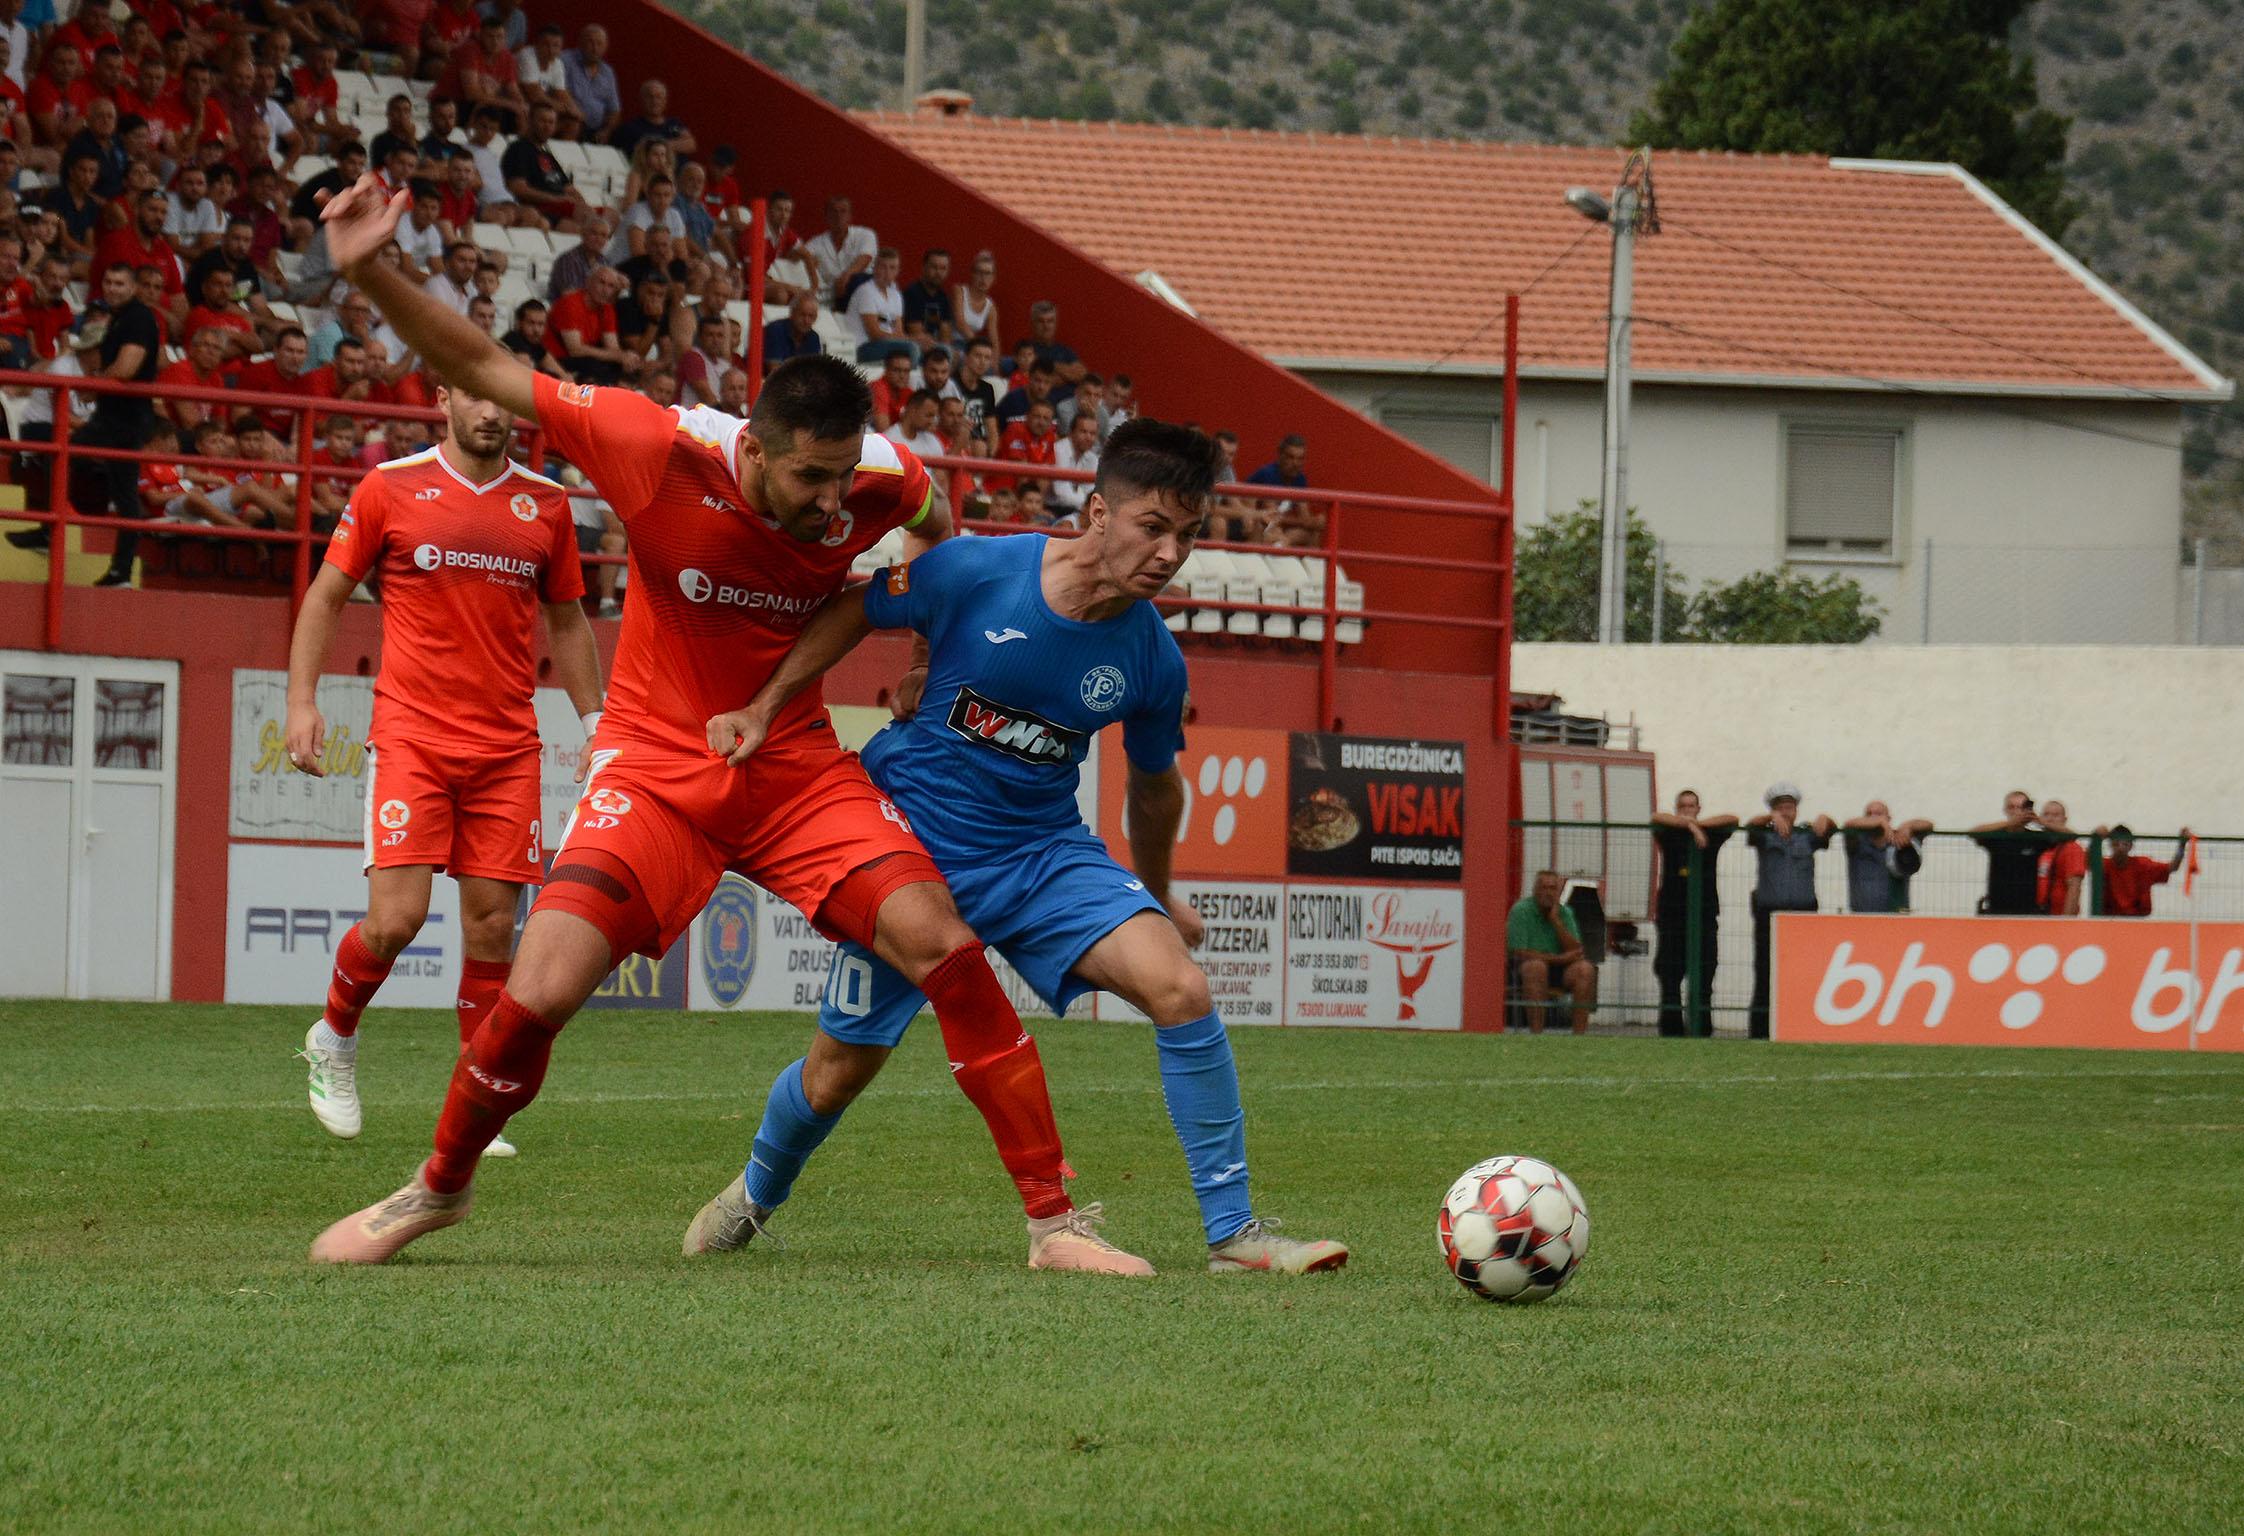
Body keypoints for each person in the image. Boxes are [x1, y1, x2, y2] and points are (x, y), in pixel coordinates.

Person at [305, 174, 1137, 1276]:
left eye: (847, 474)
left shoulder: (885, 481)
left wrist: (928, 652)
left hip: (792, 767)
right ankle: (438, 1189)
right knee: (539, 989)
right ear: (754, 448)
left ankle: (1054, 1224)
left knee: (944, 945)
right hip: (654, 767)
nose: (837, 503)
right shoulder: (650, 447)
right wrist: (370, 268)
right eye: (810, 478)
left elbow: (945, 537)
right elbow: (482, 368)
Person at [685, 418, 1347, 1276]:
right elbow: (858, 604)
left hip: (1041, 853)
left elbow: (1153, 788)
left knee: (1181, 990)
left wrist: (1158, 891)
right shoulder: (980, 569)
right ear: (1099, 514)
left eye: (1189, 534)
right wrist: (772, 703)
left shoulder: (1152, 660)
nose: (1171, 553)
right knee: (834, 1075)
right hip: (910, 853)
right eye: (1154, 526)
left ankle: (1234, 1236)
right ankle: (753, 1195)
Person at [287, 379, 603, 1151]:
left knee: (494, 927)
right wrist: (302, 702)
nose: (493, 412)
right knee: (397, 920)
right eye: (476, 398)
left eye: (504, 402)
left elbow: (567, 618)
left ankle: (472, 1092)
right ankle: (333, 1036)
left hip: (506, 745)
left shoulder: (548, 504)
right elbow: (327, 596)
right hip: (412, 737)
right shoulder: (390, 487)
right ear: (444, 400)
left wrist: (597, 723)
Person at [9, 263, 161, 582]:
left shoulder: (137, 318)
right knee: (119, 491)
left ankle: (57, 533)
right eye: (108, 281)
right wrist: (100, 385)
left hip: (123, 420)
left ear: (133, 287)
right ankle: (116, 567)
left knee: (64, 460)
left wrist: (96, 383)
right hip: (115, 416)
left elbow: (127, 368)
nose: (112, 288)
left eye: (120, 283)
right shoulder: (122, 317)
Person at [1745, 783, 1833, 1040]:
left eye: (1790, 808)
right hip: (1769, 913)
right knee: (1764, 973)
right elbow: (1749, 827)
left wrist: (1825, 818)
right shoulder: (1764, 834)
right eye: (1780, 808)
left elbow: (1831, 829)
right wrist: (1769, 819)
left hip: (1803, 915)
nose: (1786, 812)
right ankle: (1760, 1032)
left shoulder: (1807, 836)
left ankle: (1800, 1028)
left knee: (1802, 974)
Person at [1650, 789, 1736, 1037]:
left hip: (1704, 914)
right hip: (1672, 914)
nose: (1688, 810)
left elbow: (1732, 818)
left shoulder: (1712, 833)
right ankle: (1671, 1030)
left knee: (1705, 973)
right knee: (1670, 973)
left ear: (1699, 808)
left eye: (1692, 806)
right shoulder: (1669, 834)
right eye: (1683, 806)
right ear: (1677, 808)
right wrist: (1691, 827)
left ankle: (1701, 1029)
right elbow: (1655, 817)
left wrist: (1697, 826)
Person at [1505, 869, 1593, 1034]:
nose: (1548, 893)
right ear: (1535, 890)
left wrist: (1556, 922)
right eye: (1544, 888)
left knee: (1585, 970)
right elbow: (1518, 952)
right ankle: (1537, 1035)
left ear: (1559, 892)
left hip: (1560, 970)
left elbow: (1576, 950)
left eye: (1552, 888)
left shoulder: (1565, 913)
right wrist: (1559, 959)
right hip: (1525, 968)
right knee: (1536, 967)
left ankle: (1580, 1038)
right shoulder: (1521, 911)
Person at [1970, 790, 2057, 916]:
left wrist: (2039, 821)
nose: (2016, 811)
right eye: (2011, 807)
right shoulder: (1997, 836)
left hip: (2028, 909)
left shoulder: (2036, 838)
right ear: (2005, 810)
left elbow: (2070, 835)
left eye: (2020, 807)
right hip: (1997, 908)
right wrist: (2010, 823)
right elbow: (1973, 832)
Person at [1841, 801, 1933, 915]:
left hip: (1895, 918)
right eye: (1869, 814)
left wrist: (1908, 825)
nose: (1873, 817)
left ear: (1888, 818)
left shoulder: (1901, 841)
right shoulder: (1857, 843)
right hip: (1861, 917)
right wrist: (1879, 820)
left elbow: (1928, 824)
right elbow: (1849, 824)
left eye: (1878, 813)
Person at [2100, 824, 2191, 916]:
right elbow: (2087, 860)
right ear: (2110, 845)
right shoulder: (2103, 865)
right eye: (2116, 844)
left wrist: (2182, 845)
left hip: (2137, 920)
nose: (2120, 848)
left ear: (2131, 846)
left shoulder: (2143, 865)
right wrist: (2097, 839)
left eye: (2124, 844)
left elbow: (2173, 867)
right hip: (2109, 920)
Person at [2034, 799, 2087, 917]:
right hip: (2036, 918)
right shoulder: (2039, 847)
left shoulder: (2072, 848)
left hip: (2058, 919)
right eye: (2046, 815)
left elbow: (2074, 888)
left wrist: (2066, 922)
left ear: (2065, 820)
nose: (2050, 819)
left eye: (2055, 815)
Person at [952, 248, 998, 353]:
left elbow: (994, 339)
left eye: (987, 273)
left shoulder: (990, 307)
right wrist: (979, 347)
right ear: (972, 274)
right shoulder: (959, 291)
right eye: (979, 272)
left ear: (993, 278)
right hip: (953, 342)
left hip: (972, 348)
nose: (983, 278)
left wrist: (995, 362)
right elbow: (960, 324)